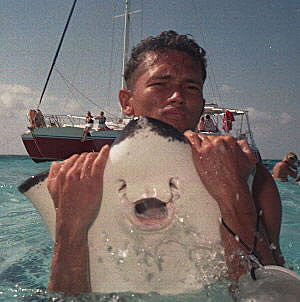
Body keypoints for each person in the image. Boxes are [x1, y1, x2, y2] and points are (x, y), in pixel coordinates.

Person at [47, 30, 284, 294]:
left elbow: (272, 294)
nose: (177, 96)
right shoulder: (79, 179)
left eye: (191, 87)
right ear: (127, 102)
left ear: (202, 103)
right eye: (161, 84)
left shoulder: (251, 176)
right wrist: (70, 231)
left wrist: (234, 193)